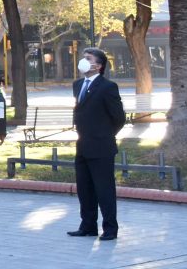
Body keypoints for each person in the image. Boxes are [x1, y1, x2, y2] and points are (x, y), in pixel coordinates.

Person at [67, 47, 126, 241]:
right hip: (83, 145)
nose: (83, 61)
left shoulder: (108, 87)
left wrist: (105, 135)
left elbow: (119, 117)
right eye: (83, 58)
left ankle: (110, 229)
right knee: (84, 189)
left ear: (98, 65)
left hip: (101, 147)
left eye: (87, 58)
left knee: (104, 190)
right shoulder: (78, 85)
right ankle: (88, 226)